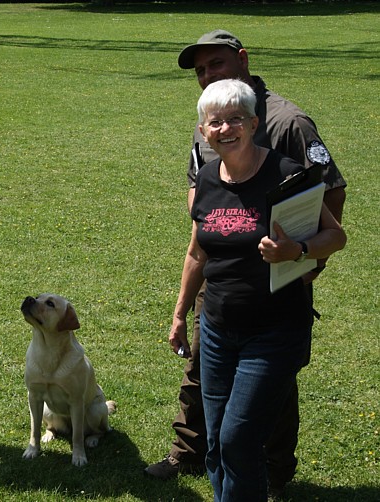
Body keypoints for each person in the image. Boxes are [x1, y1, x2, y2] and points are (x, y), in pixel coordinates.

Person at [145, 30, 347, 495]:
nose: (206, 75)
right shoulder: (210, 134)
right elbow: (198, 233)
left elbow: (330, 195)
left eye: (215, 64)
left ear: (242, 59)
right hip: (219, 295)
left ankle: (271, 470)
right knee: (214, 410)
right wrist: (181, 308)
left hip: (277, 295)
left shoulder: (288, 123)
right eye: (200, 71)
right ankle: (194, 451)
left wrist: (302, 256)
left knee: (253, 417)